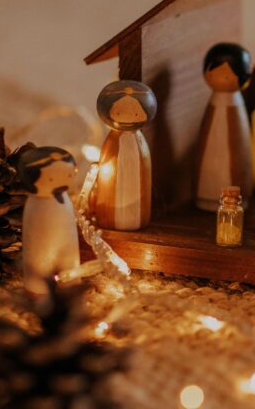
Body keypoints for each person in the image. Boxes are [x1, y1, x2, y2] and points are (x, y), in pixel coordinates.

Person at [195, 42, 254, 211]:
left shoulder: (236, 108)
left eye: (228, 76)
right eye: (213, 73)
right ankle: (204, 194)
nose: (221, 78)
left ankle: (236, 198)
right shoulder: (213, 106)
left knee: (234, 161)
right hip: (203, 196)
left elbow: (240, 149)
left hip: (238, 202)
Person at [94, 80, 157, 230]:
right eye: (119, 112)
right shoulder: (112, 142)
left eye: (136, 112)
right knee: (111, 190)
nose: (128, 115)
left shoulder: (140, 143)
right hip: (108, 215)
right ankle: (109, 216)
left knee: (137, 186)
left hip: (138, 209)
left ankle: (136, 217)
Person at [18, 147, 79, 295]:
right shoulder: (36, 205)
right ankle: (39, 287)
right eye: (51, 179)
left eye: (70, 175)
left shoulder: (65, 200)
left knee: (69, 257)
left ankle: (71, 280)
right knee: (40, 258)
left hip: (67, 246)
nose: (63, 183)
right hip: (41, 252)